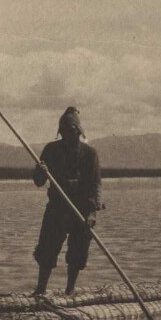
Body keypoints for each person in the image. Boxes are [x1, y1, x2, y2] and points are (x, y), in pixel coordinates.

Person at [32, 107, 103, 296]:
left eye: (71, 131)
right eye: (64, 132)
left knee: (77, 253)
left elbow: (95, 185)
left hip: (81, 210)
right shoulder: (51, 150)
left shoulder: (90, 154)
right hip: (57, 208)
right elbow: (38, 182)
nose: (68, 135)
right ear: (60, 132)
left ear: (79, 132)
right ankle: (40, 290)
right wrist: (41, 170)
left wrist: (92, 212)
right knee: (47, 250)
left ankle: (70, 290)